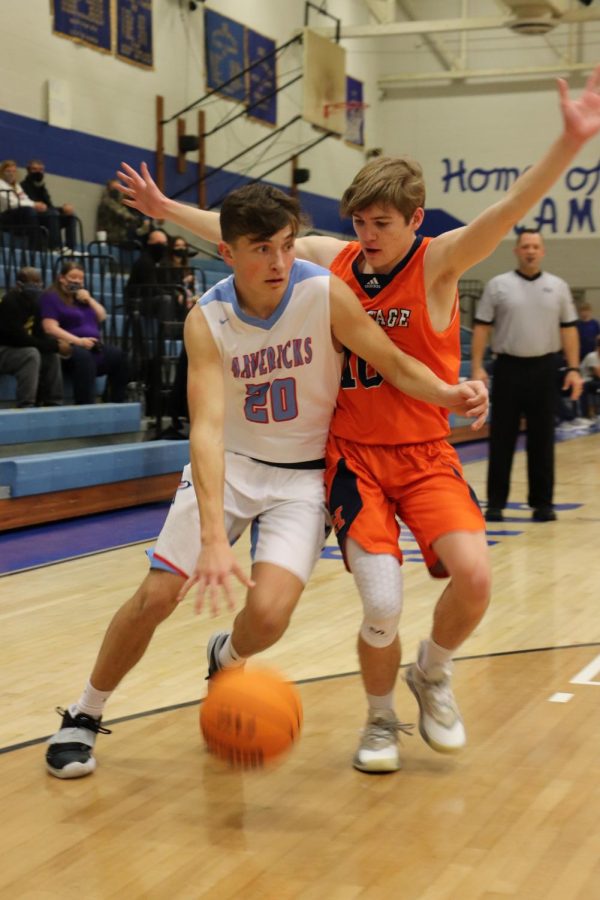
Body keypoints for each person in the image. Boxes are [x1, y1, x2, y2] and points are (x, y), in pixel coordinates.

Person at [117, 65, 600, 773]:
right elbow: (246, 235)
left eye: (381, 223)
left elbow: (505, 211)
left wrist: (567, 146)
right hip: (355, 458)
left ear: (415, 218)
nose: (367, 234)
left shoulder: (438, 261)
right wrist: (164, 211)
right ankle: (379, 722)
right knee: (381, 600)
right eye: (360, 223)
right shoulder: (329, 260)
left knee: (476, 577)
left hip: (425, 451)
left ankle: (431, 671)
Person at [45, 182, 488, 779]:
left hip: (303, 481)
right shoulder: (208, 318)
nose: (278, 262)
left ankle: (226, 656)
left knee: (270, 618)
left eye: (285, 245)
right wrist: (209, 537)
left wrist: (446, 393)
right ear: (228, 253)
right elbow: (203, 432)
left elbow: (389, 358)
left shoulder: (323, 290)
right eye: (261, 249)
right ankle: (83, 713)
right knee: (156, 596)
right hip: (230, 469)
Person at [471, 229, 583, 523]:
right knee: (502, 438)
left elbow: (569, 329)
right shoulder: (498, 286)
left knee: (542, 439)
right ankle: (495, 502)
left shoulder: (557, 287)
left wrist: (573, 369)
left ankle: (542, 504)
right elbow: (482, 327)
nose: (530, 251)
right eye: (525, 246)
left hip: (545, 369)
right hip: (508, 368)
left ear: (542, 251)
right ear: (517, 251)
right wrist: (476, 367)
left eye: (535, 246)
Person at [39, 261, 129, 404]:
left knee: (119, 356)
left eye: (81, 278)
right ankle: (85, 405)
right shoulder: (51, 297)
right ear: (62, 278)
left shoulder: (81, 299)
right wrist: (78, 341)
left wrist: (89, 299)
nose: (77, 281)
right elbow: (50, 327)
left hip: (92, 345)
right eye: (73, 277)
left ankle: (116, 402)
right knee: (84, 357)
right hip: (68, 347)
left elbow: (102, 316)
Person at [0, 267, 67, 407]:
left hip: (16, 349)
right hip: (5, 348)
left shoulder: (37, 303)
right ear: (19, 285)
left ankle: (54, 402)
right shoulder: (9, 302)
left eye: (38, 282)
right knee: (30, 354)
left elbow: (39, 334)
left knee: (51, 355)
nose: (36, 286)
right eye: (31, 283)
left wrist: (55, 346)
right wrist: (55, 345)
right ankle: (26, 404)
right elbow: (18, 339)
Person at [20, 158, 77, 251]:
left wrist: (63, 208)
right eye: (35, 169)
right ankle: (55, 247)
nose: (38, 172)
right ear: (28, 170)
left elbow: (49, 206)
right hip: (33, 216)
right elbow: (25, 204)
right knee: (53, 214)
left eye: (41, 170)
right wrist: (36, 205)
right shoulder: (23, 186)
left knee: (70, 215)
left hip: (47, 214)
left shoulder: (42, 187)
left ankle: (70, 248)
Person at [96, 178, 149, 244]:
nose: (118, 191)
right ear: (109, 189)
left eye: (119, 187)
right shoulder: (107, 202)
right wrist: (134, 219)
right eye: (115, 188)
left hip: (120, 236)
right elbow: (123, 214)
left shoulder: (120, 202)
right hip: (111, 238)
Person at [0, 159, 39, 239]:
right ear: (2, 172)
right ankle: (36, 245)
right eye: (8, 171)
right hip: (5, 214)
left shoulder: (16, 185)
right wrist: (33, 205)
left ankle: (54, 246)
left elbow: (25, 198)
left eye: (13, 171)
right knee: (29, 211)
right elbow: (13, 203)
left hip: (18, 212)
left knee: (50, 214)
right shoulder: (1, 184)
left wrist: (36, 205)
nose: (11, 174)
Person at [580, 333, 600, 418]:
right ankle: (590, 412)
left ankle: (595, 411)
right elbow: (598, 374)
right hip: (585, 381)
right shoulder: (592, 356)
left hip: (594, 381)